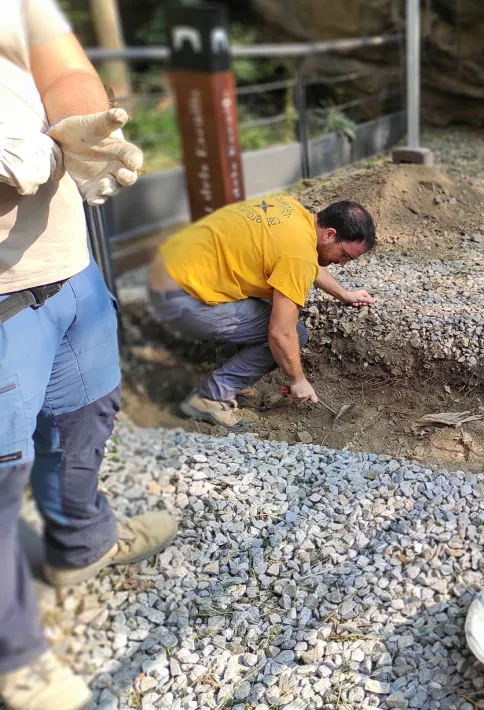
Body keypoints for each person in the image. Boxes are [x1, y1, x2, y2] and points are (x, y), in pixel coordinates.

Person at [0, 1, 177, 709]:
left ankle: (81, 543)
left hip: (70, 272)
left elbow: (66, 66)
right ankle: (14, 655)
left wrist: (80, 130)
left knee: (86, 416)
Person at [146, 194, 376, 429]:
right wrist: (298, 380)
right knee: (294, 333)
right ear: (330, 235)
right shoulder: (298, 256)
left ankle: (231, 375)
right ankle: (211, 397)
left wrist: (344, 294)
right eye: (345, 255)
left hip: (168, 266)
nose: (342, 263)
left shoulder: (293, 210)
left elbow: (304, 261)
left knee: (265, 306)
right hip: (179, 298)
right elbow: (281, 333)